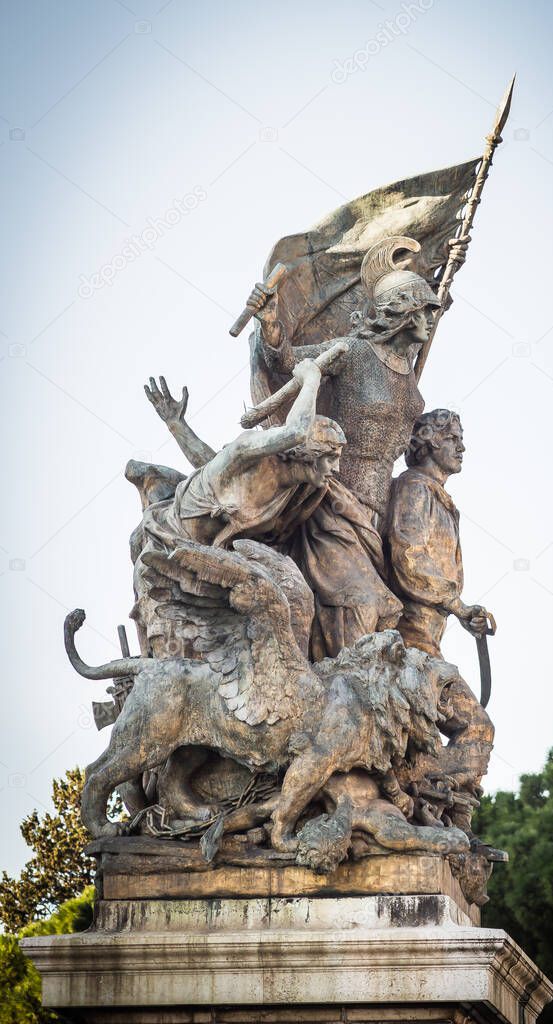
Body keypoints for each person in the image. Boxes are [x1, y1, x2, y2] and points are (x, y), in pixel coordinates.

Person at [138, 367, 401, 660]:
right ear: (306, 451)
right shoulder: (247, 450)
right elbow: (217, 460)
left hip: (218, 556)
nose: (336, 469)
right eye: (330, 458)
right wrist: (311, 376)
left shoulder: (299, 489)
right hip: (172, 549)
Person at [247, 235, 461, 527]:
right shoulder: (354, 351)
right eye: (425, 311)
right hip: (335, 501)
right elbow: (285, 361)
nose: (431, 318)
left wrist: (451, 261)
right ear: (404, 313)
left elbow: (440, 304)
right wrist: (269, 320)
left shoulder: (407, 360)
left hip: (383, 511)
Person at [386, 409, 495, 813]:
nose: (462, 446)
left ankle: (448, 808)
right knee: (477, 726)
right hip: (409, 641)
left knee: (472, 727)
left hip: (428, 638)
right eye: (454, 438)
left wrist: (461, 613)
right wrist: (458, 605)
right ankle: (413, 787)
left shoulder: (437, 496)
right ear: (430, 442)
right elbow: (408, 558)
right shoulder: (415, 488)